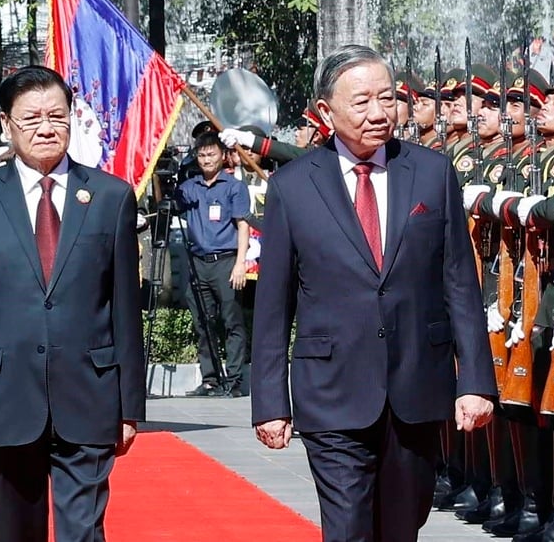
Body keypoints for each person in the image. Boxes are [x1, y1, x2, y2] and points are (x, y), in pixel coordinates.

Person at [251, 44, 496, 541]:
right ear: (326, 111)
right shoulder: (293, 186)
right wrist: (270, 401)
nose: (378, 113)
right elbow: (273, 306)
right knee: (347, 528)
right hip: (331, 390)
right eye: (361, 102)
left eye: (387, 98)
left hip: (415, 385)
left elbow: (459, 283)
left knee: (402, 526)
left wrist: (475, 381)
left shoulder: (431, 172)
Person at [0, 66, 145, 542]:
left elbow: (125, 311)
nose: (46, 128)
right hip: (2, 402)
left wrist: (130, 404)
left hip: (89, 396)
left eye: (57, 115)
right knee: (11, 533)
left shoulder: (111, 197)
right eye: (30, 118)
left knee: (83, 533)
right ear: (5, 124)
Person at [174, 130, 250, 397]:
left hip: (226, 261)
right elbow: (170, 203)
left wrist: (241, 263)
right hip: (197, 263)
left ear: (222, 156)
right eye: (202, 155)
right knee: (203, 323)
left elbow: (243, 226)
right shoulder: (189, 187)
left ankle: (236, 380)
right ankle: (211, 380)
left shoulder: (233, 187)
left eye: (211, 154)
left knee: (231, 322)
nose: (206, 160)